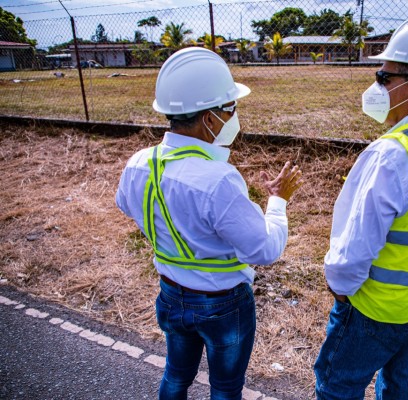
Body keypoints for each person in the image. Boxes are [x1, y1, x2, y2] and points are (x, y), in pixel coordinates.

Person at [115, 47, 302, 400]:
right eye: (231, 108)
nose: (235, 115)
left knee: (175, 376)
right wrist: (277, 201)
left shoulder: (139, 163)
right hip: (223, 305)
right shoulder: (219, 180)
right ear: (210, 119)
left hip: (170, 294)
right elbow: (264, 250)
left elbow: (125, 205)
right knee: (226, 389)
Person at [313, 16, 408, 400]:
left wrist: (341, 289)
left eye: (384, 78)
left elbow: (355, 248)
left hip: (374, 307)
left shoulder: (393, 154)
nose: (375, 86)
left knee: (336, 388)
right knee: (397, 389)